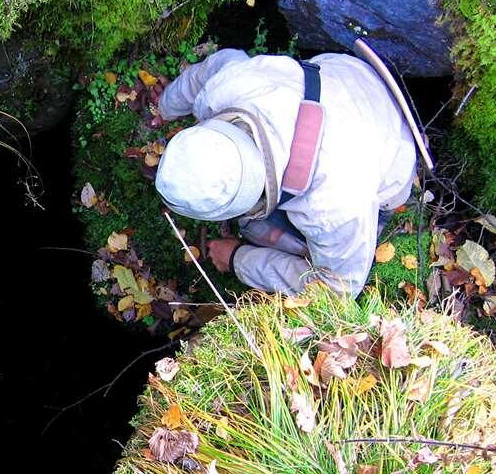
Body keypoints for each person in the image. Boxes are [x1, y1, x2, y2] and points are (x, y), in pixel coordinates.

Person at [154, 48, 417, 298]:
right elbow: (209, 69)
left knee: (256, 229)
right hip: (349, 78)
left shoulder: (331, 208)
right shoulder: (229, 86)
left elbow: (337, 291)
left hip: (391, 158)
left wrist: (239, 259)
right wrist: (166, 107)